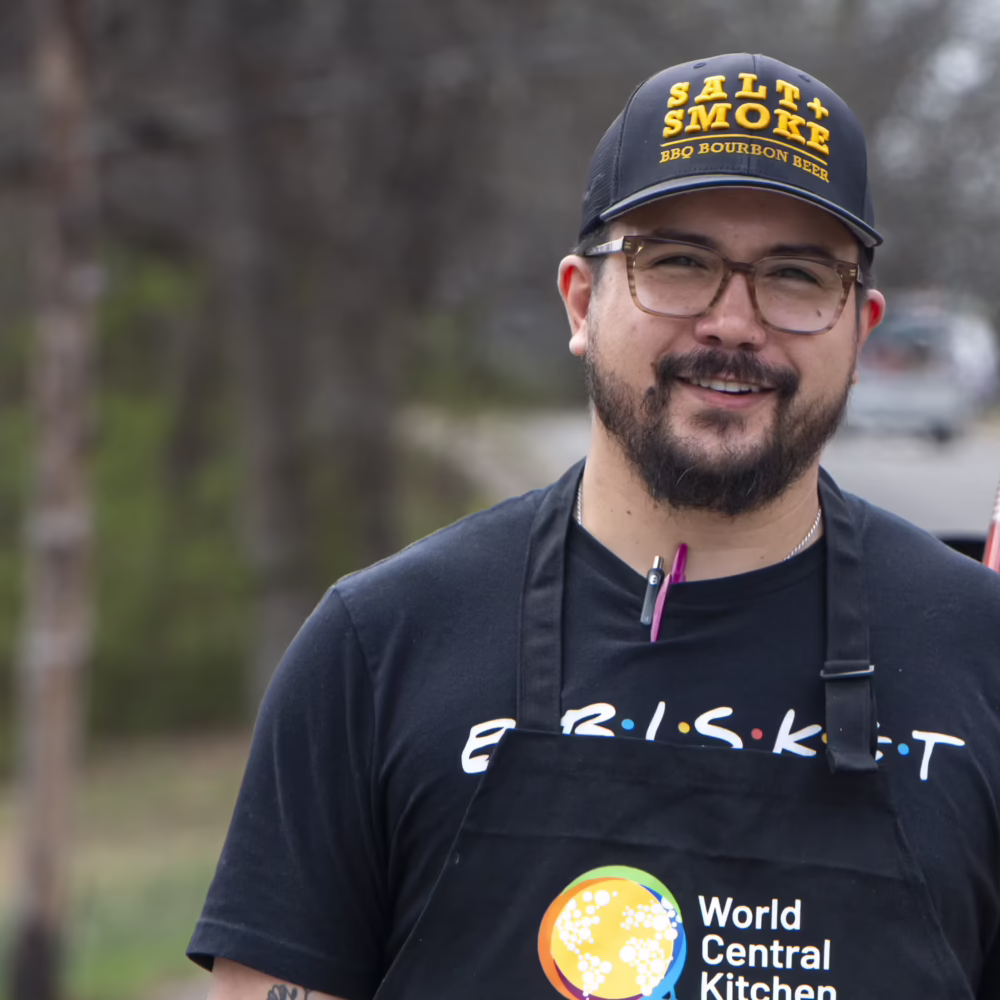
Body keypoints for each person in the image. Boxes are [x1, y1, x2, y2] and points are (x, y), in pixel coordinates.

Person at [189, 52, 1000, 1000]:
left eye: (796, 276)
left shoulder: (979, 655)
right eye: (679, 263)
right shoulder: (380, 647)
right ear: (581, 300)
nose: (734, 323)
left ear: (860, 331)